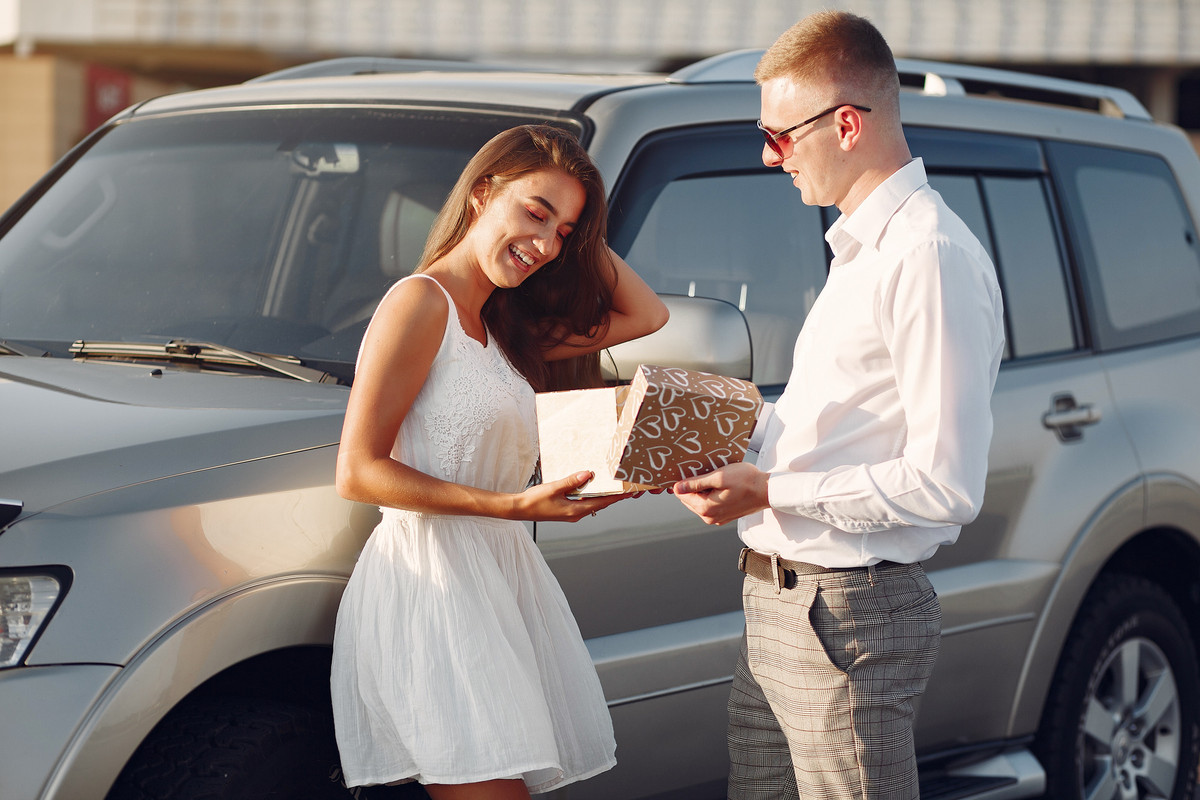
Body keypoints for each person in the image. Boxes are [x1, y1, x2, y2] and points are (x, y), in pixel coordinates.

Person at [673, 11, 1005, 800]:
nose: (768, 154)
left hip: (847, 612)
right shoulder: (863, 248)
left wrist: (769, 489)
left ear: (846, 124)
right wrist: (724, 428)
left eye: (779, 134)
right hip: (783, 603)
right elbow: (845, 422)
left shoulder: (926, 254)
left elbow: (945, 484)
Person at [331, 124, 669, 800]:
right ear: (483, 192)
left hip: (495, 583)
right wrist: (511, 507)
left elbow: (647, 313)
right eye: (534, 212)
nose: (545, 245)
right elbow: (359, 471)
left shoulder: (505, 328)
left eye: (563, 234)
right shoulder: (419, 303)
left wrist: (578, 225)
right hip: (432, 589)